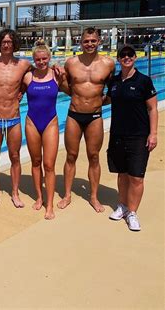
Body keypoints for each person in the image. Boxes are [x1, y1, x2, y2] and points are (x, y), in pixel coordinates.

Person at [58, 27, 115, 212]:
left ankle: (93, 197)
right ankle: (67, 195)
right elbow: (65, 87)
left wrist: (99, 102)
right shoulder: (71, 63)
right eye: (86, 41)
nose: (89, 44)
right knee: (71, 156)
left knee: (94, 156)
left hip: (95, 117)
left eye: (93, 41)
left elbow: (114, 90)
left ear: (99, 41)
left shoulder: (108, 64)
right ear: (80, 42)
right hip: (74, 115)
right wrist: (78, 98)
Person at [105, 45, 157, 231]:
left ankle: (132, 212)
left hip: (139, 135)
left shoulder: (144, 81)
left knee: (136, 177)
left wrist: (153, 133)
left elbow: (152, 109)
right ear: (118, 59)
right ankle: (122, 205)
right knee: (122, 174)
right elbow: (106, 99)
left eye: (130, 55)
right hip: (118, 134)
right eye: (123, 55)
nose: (126, 58)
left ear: (135, 58)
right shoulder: (115, 81)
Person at [0, 29, 32, 208]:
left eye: (9, 42)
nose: (6, 44)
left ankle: (15, 193)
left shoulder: (24, 64)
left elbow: (39, 74)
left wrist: (22, 93)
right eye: (3, 41)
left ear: (14, 44)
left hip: (13, 118)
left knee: (15, 156)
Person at [21, 40, 70, 219]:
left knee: (48, 165)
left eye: (44, 59)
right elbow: (13, 95)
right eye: (38, 59)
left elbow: (74, 89)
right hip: (31, 122)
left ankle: (49, 205)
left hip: (50, 123)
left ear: (49, 58)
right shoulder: (28, 77)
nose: (41, 62)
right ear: (34, 59)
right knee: (35, 162)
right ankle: (39, 197)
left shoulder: (57, 75)